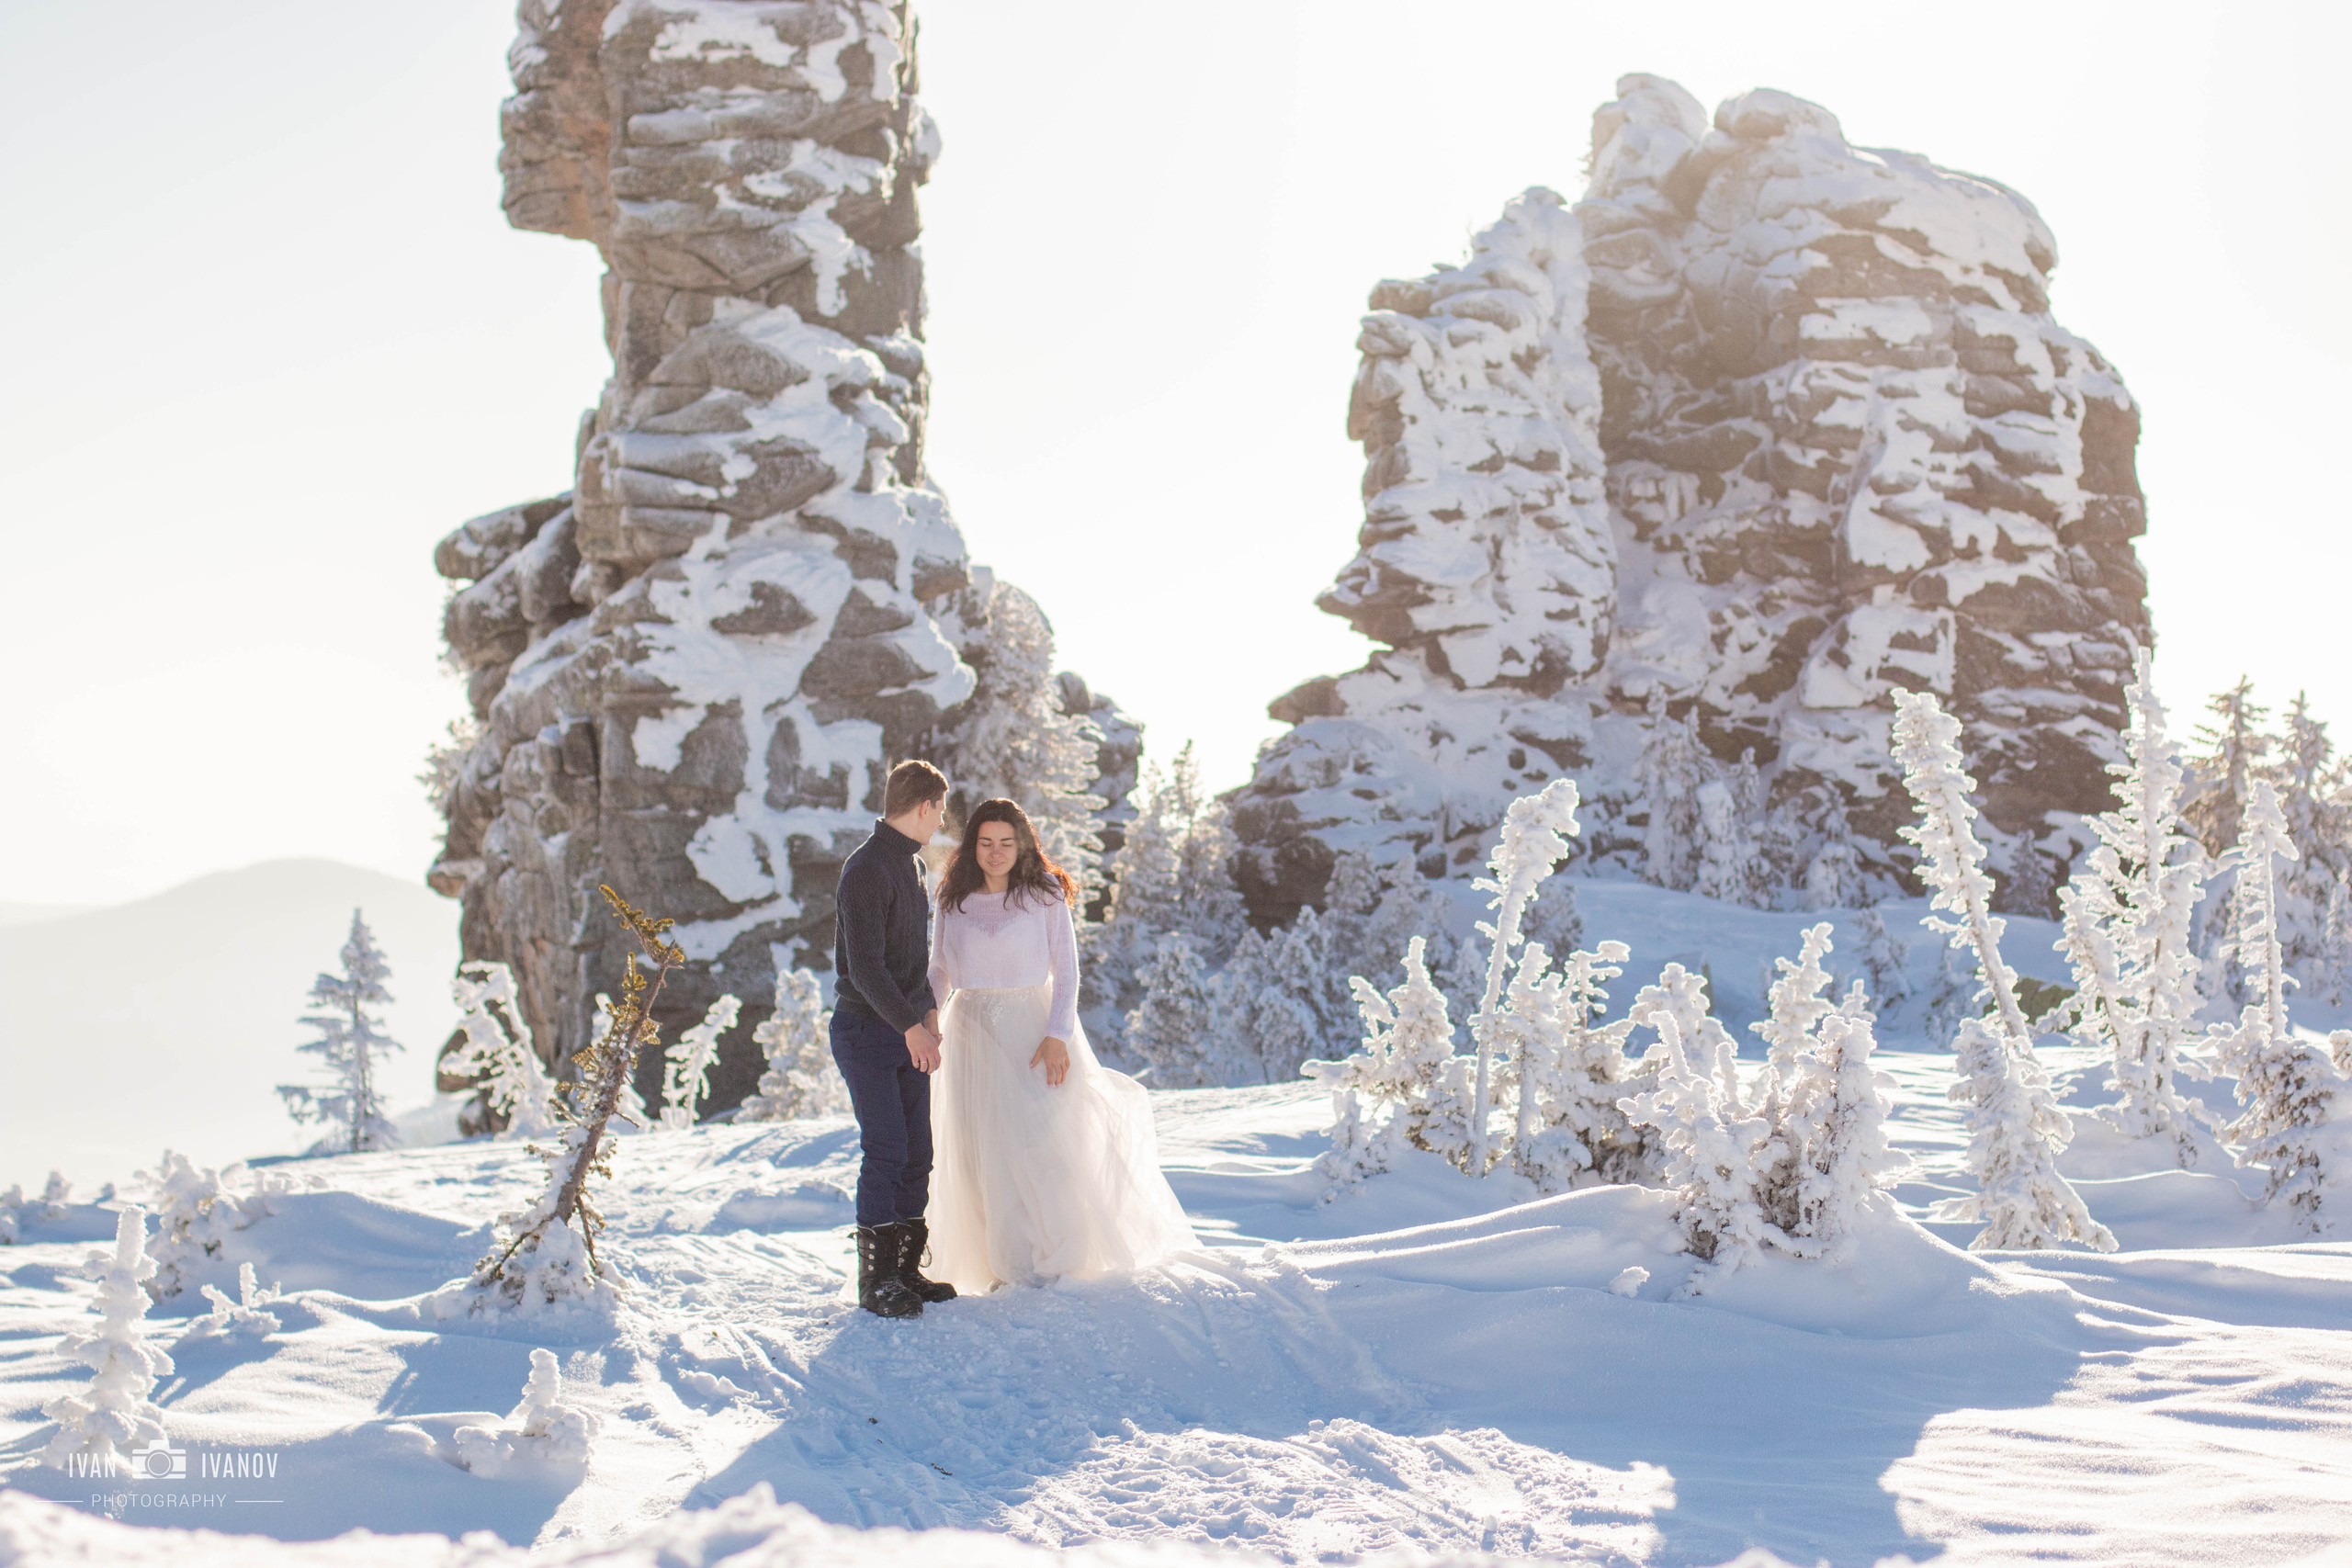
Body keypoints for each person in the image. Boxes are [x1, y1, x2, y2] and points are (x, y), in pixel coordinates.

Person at [924, 797, 1199, 1292]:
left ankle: (1040, 1258)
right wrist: (930, 1019)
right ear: (972, 847)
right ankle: (992, 1264)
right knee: (976, 1148)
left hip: (1030, 1026)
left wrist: (1058, 1035)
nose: (996, 852)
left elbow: (1067, 970)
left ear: (1022, 845)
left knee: (1036, 1143)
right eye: (986, 842)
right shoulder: (952, 897)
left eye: (1006, 843)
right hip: (968, 1028)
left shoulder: (1044, 893)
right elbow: (940, 968)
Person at [831, 759, 960, 1319]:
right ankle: (875, 1282)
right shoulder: (865, 869)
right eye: (940, 812)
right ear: (924, 806)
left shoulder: (910, 867)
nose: (940, 823)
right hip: (866, 1030)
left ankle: (906, 1272)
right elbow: (864, 968)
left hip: (906, 1031)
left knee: (918, 1154)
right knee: (886, 1149)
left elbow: (911, 960)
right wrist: (910, 1026)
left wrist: (928, 1009)